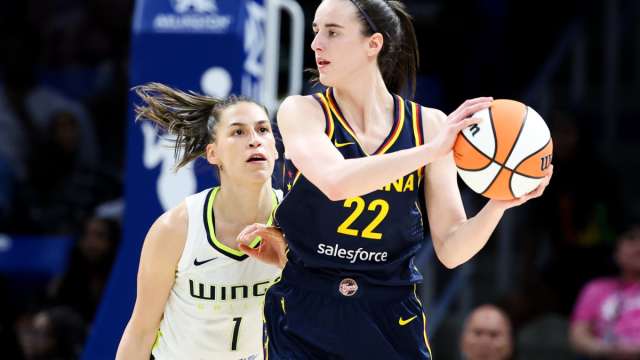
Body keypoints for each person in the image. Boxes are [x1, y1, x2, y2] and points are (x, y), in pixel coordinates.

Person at [238, 0, 552, 358]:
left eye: (332, 32)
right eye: (315, 31)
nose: (316, 44)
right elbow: (335, 182)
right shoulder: (303, 111)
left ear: (374, 44)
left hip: (390, 310)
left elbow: (451, 248)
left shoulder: (428, 126)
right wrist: (430, 151)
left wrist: (500, 202)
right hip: (306, 307)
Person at [116, 83, 282, 360]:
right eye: (238, 132)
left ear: (275, 149)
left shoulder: (296, 220)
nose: (255, 140)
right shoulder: (176, 228)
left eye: (263, 130)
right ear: (213, 154)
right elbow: (141, 331)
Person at [569, 220, 640, 359]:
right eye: (631, 239)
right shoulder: (596, 289)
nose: (639, 247)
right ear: (615, 251)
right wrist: (607, 350)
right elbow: (578, 336)